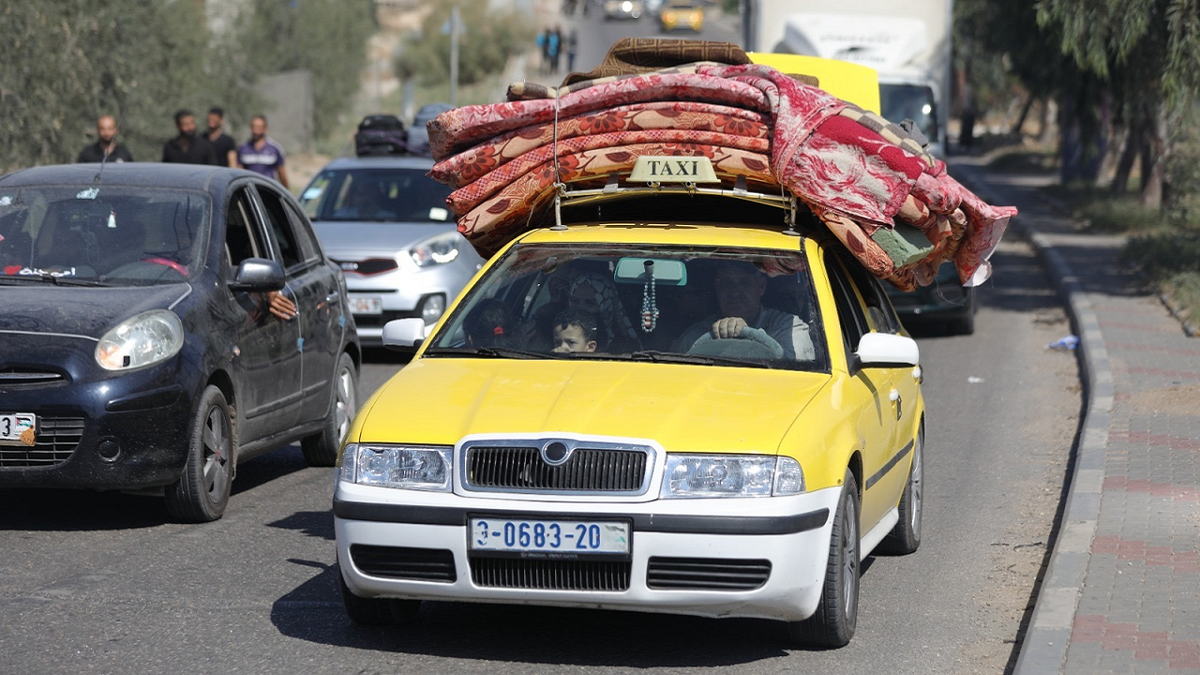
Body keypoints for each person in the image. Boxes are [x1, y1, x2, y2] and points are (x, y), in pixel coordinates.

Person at [673, 261, 815, 360]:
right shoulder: (694, 337)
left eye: (744, 283)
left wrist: (748, 334)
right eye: (726, 283)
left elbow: (799, 374)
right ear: (717, 289)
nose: (734, 293)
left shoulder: (788, 328)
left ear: (761, 287)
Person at [569, 273, 640, 353]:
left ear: (606, 306)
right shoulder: (559, 336)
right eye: (575, 301)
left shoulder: (623, 347)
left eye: (590, 303)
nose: (581, 308)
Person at [238, 115, 288, 189]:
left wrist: (287, 194)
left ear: (265, 128)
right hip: (249, 192)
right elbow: (239, 172)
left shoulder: (274, 149)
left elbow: (282, 175)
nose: (256, 130)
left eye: (259, 127)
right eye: (253, 127)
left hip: (269, 191)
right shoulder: (243, 148)